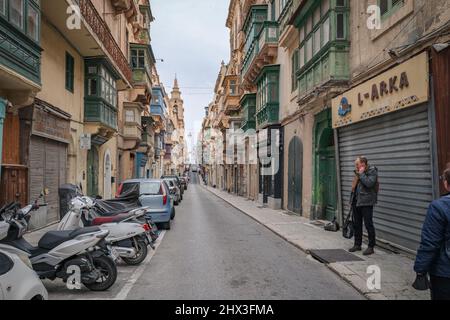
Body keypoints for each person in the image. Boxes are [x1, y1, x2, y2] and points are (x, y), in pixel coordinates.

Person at [413, 168, 450, 300]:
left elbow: (430, 243)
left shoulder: (439, 206)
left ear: (446, 183)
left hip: (445, 273)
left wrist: (420, 269)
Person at [349, 156, 378, 256]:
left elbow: (369, 183)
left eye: (357, 164)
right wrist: (351, 200)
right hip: (356, 201)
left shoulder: (372, 171)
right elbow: (354, 187)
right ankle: (357, 244)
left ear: (363, 164)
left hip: (367, 202)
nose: (355, 166)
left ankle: (371, 246)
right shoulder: (358, 172)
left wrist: (361, 174)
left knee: (368, 224)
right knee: (357, 224)